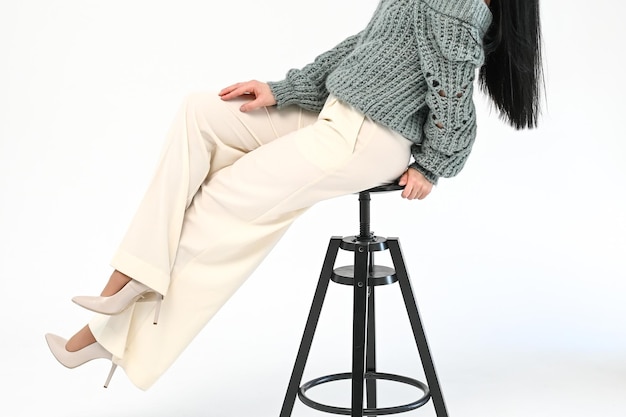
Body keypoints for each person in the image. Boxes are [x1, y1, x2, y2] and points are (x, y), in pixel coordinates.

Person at [45, 0, 543, 390]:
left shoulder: (455, 5)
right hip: (338, 112)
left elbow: (454, 91)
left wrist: (434, 164)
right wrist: (283, 89)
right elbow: (362, 47)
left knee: (221, 202)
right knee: (200, 112)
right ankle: (134, 272)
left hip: (367, 138)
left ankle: (105, 337)